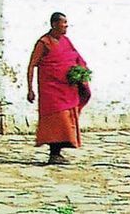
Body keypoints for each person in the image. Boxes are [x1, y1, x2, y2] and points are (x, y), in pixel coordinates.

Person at [26, 11, 89, 164]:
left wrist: (80, 74)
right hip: (51, 90)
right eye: (64, 23)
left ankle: (58, 152)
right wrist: (30, 89)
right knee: (57, 120)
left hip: (67, 89)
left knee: (66, 119)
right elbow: (32, 65)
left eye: (66, 23)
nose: (66, 26)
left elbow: (76, 58)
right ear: (54, 24)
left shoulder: (66, 41)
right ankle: (53, 153)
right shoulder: (44, 43)